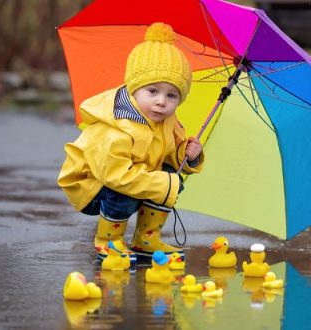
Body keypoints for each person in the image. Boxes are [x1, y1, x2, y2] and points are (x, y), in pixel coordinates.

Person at [57, 22, 204, 262]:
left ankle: (146, 238)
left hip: (131, 176)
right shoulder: (119, 126)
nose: (161, 102)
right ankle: (108, 240)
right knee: (135, 187)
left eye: (172, 95)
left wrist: (189, 154)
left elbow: (170, 157)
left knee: (172, 175)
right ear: (134, 89)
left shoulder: (169, 122)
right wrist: (162, 184)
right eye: (153, 91)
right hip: (92, 185)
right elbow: (115, 175)